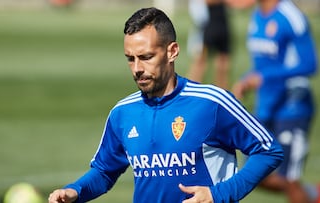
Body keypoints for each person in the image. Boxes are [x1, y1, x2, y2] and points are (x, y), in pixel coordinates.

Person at [48, 7, 284, 203]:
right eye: (130, 59)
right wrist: (75, 191)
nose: (137, 68)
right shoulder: (122, 113)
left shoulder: (212, 103)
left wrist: (218, 194)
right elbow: (104, 171)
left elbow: (268, 150)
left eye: (146, 57)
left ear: (172, 52)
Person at [232, 0, 320, 203]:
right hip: (266, 107)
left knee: (289, 179)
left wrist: (265, 77)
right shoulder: (258, 15)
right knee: (255, 174)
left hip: (292, 107)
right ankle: (314, 194)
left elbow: (310, 64)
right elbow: (265, 65)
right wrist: (246, 81)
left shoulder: (290, 16)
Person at [187, 0, 232, 89]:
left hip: (222, 22)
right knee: (200, 61)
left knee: (223, 64)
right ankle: (190, 92)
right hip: (208, 24)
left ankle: (221, 95)